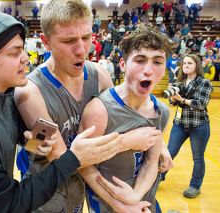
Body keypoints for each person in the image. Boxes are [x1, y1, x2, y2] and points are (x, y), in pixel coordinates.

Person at [0, 6, 126, 213]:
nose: (26, 58)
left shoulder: (3, 95)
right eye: (15, 53)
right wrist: (73, 158)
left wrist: (30, 140)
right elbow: (8, 204)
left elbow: (21, 136)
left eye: (23, 49)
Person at [15, 1, 172, 212]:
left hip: (83, 187)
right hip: (46, 191)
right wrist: (121, 205)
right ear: (46, 42)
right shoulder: (30, 92)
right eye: (69, 40)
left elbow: (124, 114)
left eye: (87, 37)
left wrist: (158, 145)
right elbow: (65, 159)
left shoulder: (98, 74)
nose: (81, 50)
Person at [78, 26, 172, 213]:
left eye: (157, 62)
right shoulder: (100, 109)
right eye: (140, 60)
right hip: (107, 203)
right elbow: (84, 166)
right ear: (122, 64)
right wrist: (121, 205)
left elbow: (151, 163)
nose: (148, 70)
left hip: (144, 201)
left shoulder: (161, 110)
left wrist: (136, 196)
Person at [164, 54, 213, 198]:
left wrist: (182, 99)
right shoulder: (179, 82)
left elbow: (200, 104)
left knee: (197, 157)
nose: (185, 65)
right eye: (184, 63)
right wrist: (173, 99)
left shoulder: (204, 83)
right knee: (169, 153)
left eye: (189, 63)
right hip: (180, 124)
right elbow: (174, 104)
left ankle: (195, 186)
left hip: (199, 126)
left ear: (196, 65)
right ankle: (158, 177)